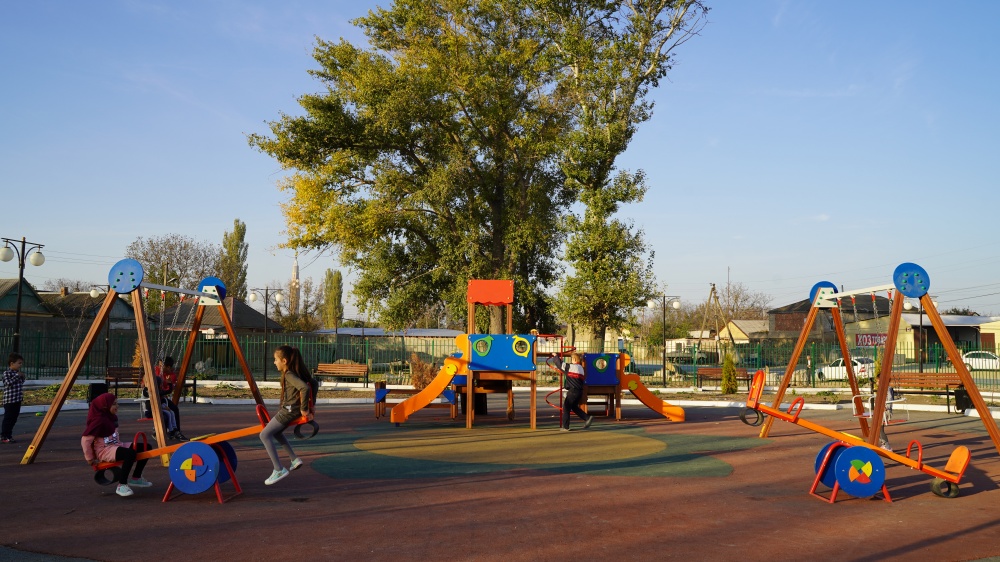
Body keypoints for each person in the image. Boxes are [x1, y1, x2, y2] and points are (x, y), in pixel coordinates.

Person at [259, 345, 313, 485]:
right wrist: (310, 408)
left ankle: (278, 469)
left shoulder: (289, 374)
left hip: (289, 410)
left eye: (276, 359)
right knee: (276, 433)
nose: (274, 362)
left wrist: (305, 409)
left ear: (284, 361)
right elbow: (312, 384)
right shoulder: (293, 373)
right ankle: (294, 459)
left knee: (264, 435)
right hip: (290, 410)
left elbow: (305, 388)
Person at [81, 393, 153, 497]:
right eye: (114, 404)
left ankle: (136, 478)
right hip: (104, 450)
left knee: (146, 447)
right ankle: (122, 485)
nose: (117, 406)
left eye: (117, 403)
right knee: (129, 454)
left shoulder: (112, 417)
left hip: (116, 445)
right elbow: (85, 440)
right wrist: (90, 458)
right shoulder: (98, 420)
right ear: (105, 406)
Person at [155, 357, 187, 441]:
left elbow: (168, 390)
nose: (159, 367)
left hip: (162, 398)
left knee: (174, 409)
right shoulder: (156, 370)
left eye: (161, 366)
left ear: (168, 367)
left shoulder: (171, 376)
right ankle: (170, 431)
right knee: (168, 412)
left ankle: (175, 431)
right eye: (159, 365)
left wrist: (168, 383)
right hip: (155, 398)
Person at [560, 351, 593, 431]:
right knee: (574, 407)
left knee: (566, 408)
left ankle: (565, 426)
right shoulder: (580, 368)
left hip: (573, 391)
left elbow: (561, 365)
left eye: (572, 359)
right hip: (578, 391)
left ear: (574, 359)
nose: (571, 360)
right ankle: (587, 418)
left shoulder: (573, 367)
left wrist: (555, 357)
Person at [2, 352, 26, 444]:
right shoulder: (7, 373)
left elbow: (20, 383)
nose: (20, 365)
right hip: (9, 400)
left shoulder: (17, 373)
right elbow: (8, 383)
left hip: (17, 399)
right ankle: (4, 436)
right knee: (8, 418)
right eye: (19, 363)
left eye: (21, 363)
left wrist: (22, 377)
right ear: (12, 363)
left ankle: (9, 435)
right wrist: (17, 376)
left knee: (14, 418)